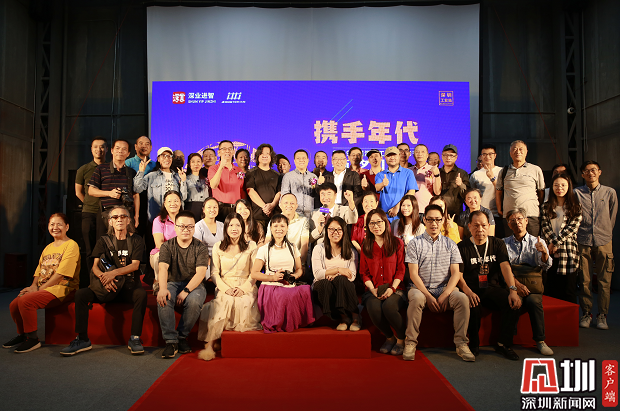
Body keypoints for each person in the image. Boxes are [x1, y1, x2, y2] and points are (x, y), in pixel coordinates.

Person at [60, 206, 146, 356]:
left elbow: (135, 265)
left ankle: (135, 338)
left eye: (123, 216)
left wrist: (112, 273)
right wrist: (104, 278)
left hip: (127, 286)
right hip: (106, 286)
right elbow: (95, 266)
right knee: (81, 294)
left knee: (141, 295)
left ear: (128, 220)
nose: (119, 219)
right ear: (110, 222)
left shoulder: (136, 240)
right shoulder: (103, 241)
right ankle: (82, 339)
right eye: (115, 217)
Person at [404, 204, 474, 362]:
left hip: (445, 289)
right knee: (416, 298)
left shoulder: (451, 244)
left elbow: (455, 273)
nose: (434, 223)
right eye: (430, 220)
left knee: (462, 299)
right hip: (420, 289)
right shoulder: (415, 243)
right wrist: (428, 296)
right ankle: (410, 342)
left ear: (442, 220)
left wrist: (445, 294)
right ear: (424, 220)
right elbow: (413, 274)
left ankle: (461, 344)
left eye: (437, 219)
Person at [4, 214, 80, 353]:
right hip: (45, 288)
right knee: (14, 305)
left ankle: (33, 339)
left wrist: (39, 290)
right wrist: (33, 286)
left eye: (59, 224)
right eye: (52, 224)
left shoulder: (71, 245)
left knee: (26, 301)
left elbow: (61, 274)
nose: (55, 227)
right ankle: (23, 335)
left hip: (63, 288)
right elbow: (39, 270)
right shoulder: (48, 247)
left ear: (67, 227)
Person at [457, 211, 522, 360]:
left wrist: (513, 290)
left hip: (491, 288)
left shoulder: (497, 243)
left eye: (483, 225)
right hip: (471, 289)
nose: (480, 229)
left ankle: (503, 344)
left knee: (512, 302)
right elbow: (458, 276)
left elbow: (505, 267)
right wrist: (468, 292)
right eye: (476, 226)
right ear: (469, 227)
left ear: (489, 226)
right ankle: (474, 344)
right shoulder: (462, 247)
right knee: (472, 305)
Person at [197, 213, 261, 361]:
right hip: (225, 284)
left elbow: (254, 273)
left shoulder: (251, 246)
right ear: (225, 228)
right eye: (231, 225)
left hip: (246, 284)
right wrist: (226, 289)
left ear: (242, 227)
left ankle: (235, 345)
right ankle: (210, 345)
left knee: (242, 302)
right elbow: (214, 273)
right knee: (224, 302)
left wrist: (243, 288)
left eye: (238, 225)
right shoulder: (218, 246)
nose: (234, 228)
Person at [157, 210, 209, 358]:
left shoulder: (200, 247)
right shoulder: (167, 246)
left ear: (194, 228)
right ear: (175, 227)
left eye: (190, 227)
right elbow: (163, 268)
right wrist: (162, 288)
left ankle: (181, 337)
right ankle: (170, 341)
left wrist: (186, 290)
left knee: (194, 301)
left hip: (194, 284)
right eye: (182, 226)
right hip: (172, 282)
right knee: (164, 298)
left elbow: (200, 273)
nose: (186, 230)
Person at [251, 214, 315, 333]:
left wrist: (295, 276)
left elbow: (299, 269)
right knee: (284, 294)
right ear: (271, 228)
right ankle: (282, 322)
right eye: (275, 226)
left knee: (306, 289)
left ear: (287, 228)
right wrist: (273, 277)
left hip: (288, 283)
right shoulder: (264, 249)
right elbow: (254, 274)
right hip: (270, 286)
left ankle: (299, 320)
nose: (279, 229)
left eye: (282, 226)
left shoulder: (292, 247)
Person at [504, 208, 554, 355]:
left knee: (533, 301)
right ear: (508, 224)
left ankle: (540, 340)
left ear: (526, 221)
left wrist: (544, 253)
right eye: (513, 220)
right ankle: (507, 340)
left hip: (533, 283)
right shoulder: (504, 243)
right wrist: (516, 285)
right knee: (514, 301)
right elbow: (503, 268)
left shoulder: (537, 241)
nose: (517, 222)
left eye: (520, 219)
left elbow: (546, 265)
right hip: (513, 282)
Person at [575, 161, 617, 330]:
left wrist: (605, 231)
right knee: (584, 280)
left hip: (604, 239)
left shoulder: (609, 192)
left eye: (593, 170)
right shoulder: (577, 193)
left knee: (604, 280)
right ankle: (586, 313)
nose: (590, 173)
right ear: (582, 174)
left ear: (599, 172)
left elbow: (612, 216)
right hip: (583, 238)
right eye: (586, 171)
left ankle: (602, 315)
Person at [359, 209, 407, 355]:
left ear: (386, 223)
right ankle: (390, 338)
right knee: (374, 308)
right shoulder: (366, 245)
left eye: (379, 222)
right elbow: (364, 273)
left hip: (396, 288)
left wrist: (392, 288)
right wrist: (372, 289)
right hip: (374, 288)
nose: (376, 226)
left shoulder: (397, 243)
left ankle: (401, 339)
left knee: (389, 307)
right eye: (372, 223)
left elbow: (401, 270)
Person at [312, 217, 360, 331]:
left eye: (339, 229)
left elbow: (352, 276)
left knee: (340, 280)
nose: (335, 232)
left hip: (343, 285)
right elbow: (318, 274)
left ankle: (356, 316)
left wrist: (334, 275)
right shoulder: (319, 248)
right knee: (324, 283)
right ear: (327, 231)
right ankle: (344, 317)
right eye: (331, 229)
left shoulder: (351, 251)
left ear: (344, 231)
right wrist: (338, 270)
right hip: (323, 287)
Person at [540, 173, 582, 304]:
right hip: (550, 252)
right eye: (556, 185)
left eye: (563, 185)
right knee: (551, 289)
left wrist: (556, 243)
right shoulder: (546, 206)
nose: (560, 188)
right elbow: (545, 226)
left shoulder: (575, 206)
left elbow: (572, 228)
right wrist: (552, 244)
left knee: (568, 290)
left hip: (568, 252)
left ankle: (570, 317)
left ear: (569, 187)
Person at [88, 139, 140, 239]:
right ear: (112, 150)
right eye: (117, 148)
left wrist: (136, 217)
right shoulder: (101, 168)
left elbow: (136, 195)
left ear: (128, 153)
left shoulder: (131, 172)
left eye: (124, 149)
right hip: (107, 214)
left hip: (126, 214)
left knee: (127, 243)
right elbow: (91, 190)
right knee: (105, 242)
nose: (120, 151)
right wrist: (109, 193)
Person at [495, 140, 545, 236]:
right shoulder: (504, 171)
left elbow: (541, 192)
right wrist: (499, 209)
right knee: (511, 243)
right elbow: (499, 191)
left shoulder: (535, 169)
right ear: (510, 153)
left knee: (532, 243)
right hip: (510, 215)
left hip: (531, 215)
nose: (518, 151)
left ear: (526, 152)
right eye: (514, 149)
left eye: (521, 149)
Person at [75, 136, 107, 269]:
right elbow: (78, 192)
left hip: (105, 212)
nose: (99, 150)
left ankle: (103, 276)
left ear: (106, 149)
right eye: (95, 147)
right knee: (89, 248)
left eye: (102, 147)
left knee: (104, 247)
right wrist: (88, 203)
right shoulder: (84, 169)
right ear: (91, 149)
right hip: (88, 212)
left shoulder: (110, 168)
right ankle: (91, 278)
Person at [134, 146, 188, 222]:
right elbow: (137, 189)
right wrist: (141, 172)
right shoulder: (151, 176)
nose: (167, 158)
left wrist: (183, 181)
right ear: (158, 159)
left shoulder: (178, 176)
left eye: (169, 156)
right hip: (156, 216)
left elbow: (183, 197)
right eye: (163, 156)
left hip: (175, 217)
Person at [150, 191, 182, 294]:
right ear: (164, 204)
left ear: (180, 203)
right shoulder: (159, 220)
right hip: (162, 251)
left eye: (176, 201)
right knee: (160, 256)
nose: (173, 204)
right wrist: (173, 252)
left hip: (183, 252)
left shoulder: (185, 220)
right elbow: (159, 243)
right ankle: (159, 283)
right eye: (169, 201)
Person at [265, 193, 310, 268]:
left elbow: (304, 244)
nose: (289, 205)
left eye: (292, 203)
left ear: (296, 206)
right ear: (280, 205)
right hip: (276, 260)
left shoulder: (303, 220)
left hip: (295, 261)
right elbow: (268, 241)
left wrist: (302, 264)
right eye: (286, 203)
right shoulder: (273, 221)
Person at [375, 146, 417, 222]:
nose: (392, 158)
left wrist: (398, 206)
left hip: (403, 215)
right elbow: (377, 187)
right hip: (385, 216)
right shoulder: (380, 175)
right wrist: (382, 184)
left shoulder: (408, 173)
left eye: (394, 155)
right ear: (385, 157)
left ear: (399, 156)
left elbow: (411, 192)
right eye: (389, 155)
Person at [469, 144, 503, 236]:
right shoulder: (475, 175)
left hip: (498, 214)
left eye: (490, 154)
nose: (487, 157)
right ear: (481, 156)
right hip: (481, 214)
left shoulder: (502, 171)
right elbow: (471, 195)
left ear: (495, 155)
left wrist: (492, 178)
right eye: (484, 154)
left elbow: (504, 191)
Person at [209, 140, 247, 222]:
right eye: (224, 149)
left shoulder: (239, 170)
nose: (227, 151)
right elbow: (213, 185)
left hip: (235, 208)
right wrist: (221, 167)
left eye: (230, 149)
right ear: (219, 152)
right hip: (220, 208)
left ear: (233, 152)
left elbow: (241, 189)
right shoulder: (213, 169)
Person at [245, 143, 281, 227]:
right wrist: (265, 208)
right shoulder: (251, 173)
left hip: (273, 216)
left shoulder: (277, 175)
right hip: (257, 216)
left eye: (267, 153)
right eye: (262, 153)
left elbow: (279, 192)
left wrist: (272, 205)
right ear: (257, 156)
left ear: (271, 156)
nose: (264, 156)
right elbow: (250, 191)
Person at [193, 197, 225, 279]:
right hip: (205, 261)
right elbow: (198, 250)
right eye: (209, 207)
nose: (212, 210)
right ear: (203, 209)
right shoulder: (198, 226)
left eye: (215, 207)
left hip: (222, 259)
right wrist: (212, 263)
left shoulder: (222, 225)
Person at [280, 149, 317, 218]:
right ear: (294, 161)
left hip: (311, 214)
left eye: (304, 158)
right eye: (298, 158)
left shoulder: (313, 177)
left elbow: (316, 195)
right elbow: (284, 196)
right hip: (294, 215)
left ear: (308, 160)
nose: (301, 160)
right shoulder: (288, 176)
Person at [439, 144, 470, 217]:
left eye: (451, 155)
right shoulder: (437, 172)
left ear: (456, 157)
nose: (448, 158)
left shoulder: (462, 173)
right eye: (445, 155)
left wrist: (461, 185)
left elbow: (467, 194)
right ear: (442, 156)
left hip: (455, 213)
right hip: (438, 211)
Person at [411, 144, 441, 213]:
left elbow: (437, 192)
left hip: (426, 209)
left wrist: (436, 175)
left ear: (427, 155)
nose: (420, 154)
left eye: (423, 152)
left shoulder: (433, 169)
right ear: (414, 155)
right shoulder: (409, 171)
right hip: (410, 210)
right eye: (417, 152)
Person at [185, 152, 210, 221]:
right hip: (191, 208)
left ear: (202, 163)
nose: (196, 164)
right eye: (193, 162)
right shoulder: (185, 179)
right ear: (189, 164)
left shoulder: (206, 180)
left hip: (204, 209)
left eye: (198, 161)